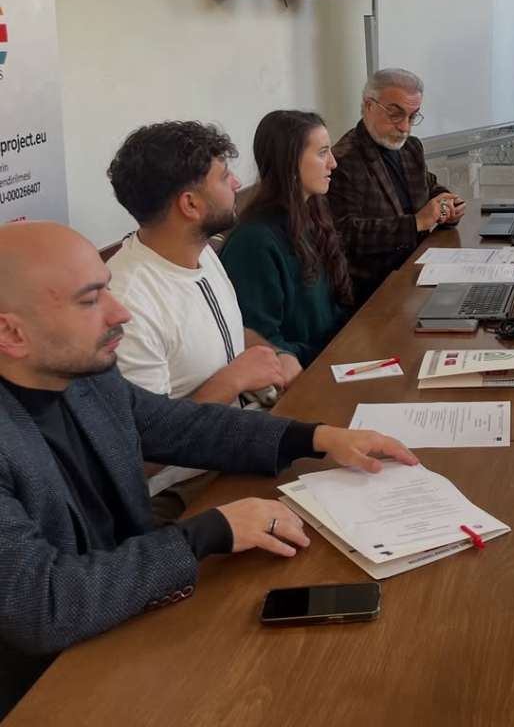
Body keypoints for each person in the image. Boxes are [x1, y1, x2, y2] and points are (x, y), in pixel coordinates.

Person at [0, 221, 416, 718]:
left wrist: (317, 438)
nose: (120, 312)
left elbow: (182, 426)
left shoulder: (84, 375)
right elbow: (43, 605)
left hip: (133, 617)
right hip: (51, 688)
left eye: (107, 289)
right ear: (11, 333)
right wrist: (212, 530)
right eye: (90, 300)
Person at [106, 121, 302, 520]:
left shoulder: (201, 251)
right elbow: (138, 458)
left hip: (236, 442)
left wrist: (274, 354)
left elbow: (227, 333)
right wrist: (232, 381)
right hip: (183, 488)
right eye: (224, 176)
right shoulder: (127, 304)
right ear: (190, 205)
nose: (236, 183)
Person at [220, 111, 353, 367]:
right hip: (304, 373)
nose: (333, 163)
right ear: (289, 162)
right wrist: (332, 355)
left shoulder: (312, 213)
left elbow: (332, 312)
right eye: (322, 153)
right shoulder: (253, 242)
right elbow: (261, 341)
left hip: (332, 357)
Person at [329, 68, 464, 306]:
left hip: (419, 270)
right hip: (374, 291)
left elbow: (428, 186)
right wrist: (416, 223)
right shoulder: (344, 159)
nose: (405, 127)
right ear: (368, 106)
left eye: (412, 117)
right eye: (395, 114)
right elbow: (344, 234)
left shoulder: (411, 147)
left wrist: (447, 202)